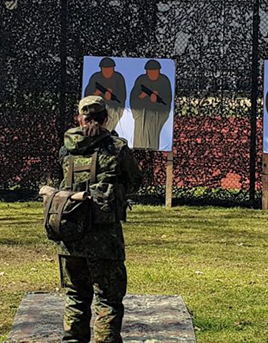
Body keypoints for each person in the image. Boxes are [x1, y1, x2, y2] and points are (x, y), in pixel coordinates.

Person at [55, 95, 142, 343]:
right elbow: (134, 181)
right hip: (105, 237)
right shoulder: (117, 148)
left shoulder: (66, 149)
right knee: (107, 298)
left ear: (79, 119)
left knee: (75, 295)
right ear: (105, 119)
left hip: (69, 234)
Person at [129, 59, 173, 150]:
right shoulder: (141, 80)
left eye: (155, 72)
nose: (153, 74)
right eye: (150, 72)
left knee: (152, 137)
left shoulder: (164, 81)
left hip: (156, 113)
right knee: (139, 137)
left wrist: (156, 99)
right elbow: (133, 98)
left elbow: (167, 100)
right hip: (141, 114)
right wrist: (142, 96)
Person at [84, 57, 127, 132]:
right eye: (105, 69)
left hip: (113, 109)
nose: (107, 72)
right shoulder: (95, 77)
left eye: (109, 69)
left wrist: (110, 98)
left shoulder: (118, 78)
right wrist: (95, 94)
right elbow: (87, 96)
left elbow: (122, 98)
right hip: (97, 109)